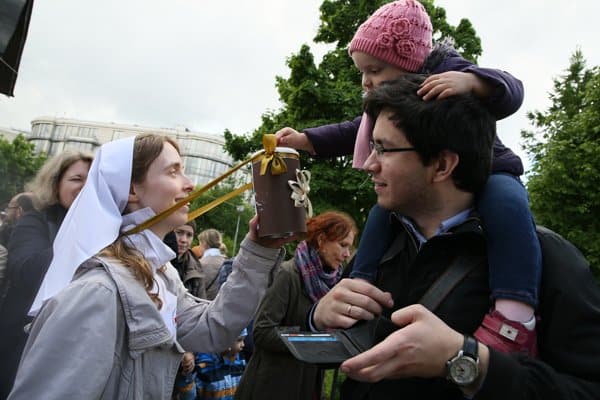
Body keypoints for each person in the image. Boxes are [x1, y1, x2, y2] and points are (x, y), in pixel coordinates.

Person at [309, 75, 600, 399]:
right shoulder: (379, 248)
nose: (368, 164)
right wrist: (318, 318)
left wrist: (468, 360)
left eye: (383, 149)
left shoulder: (546, 259)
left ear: (442, 164)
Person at [275, 0, 540, 355]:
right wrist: (308, 140)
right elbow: (356, 129)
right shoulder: (390, 109)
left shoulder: (445, 69)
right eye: (362, 72)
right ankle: (359, 290)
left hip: (491, 168)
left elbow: (512, 89)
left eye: (375, 69)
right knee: (378, 216)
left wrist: (474, 82)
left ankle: (514, 315)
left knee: (508, 205)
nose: (367, 80)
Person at [7, 134, 291, 399]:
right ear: (131, 189)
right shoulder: (98, 293)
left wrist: (259, 249)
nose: (190, 184)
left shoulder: (161, 274)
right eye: (173, 171)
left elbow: (213, 326)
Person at [236, 211, 357, 400]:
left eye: (349, 247)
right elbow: (262, 332)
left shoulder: (334, 283)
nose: (347, 254)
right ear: (322, 240)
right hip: (273, 385)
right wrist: (310, 337)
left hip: (308, 385)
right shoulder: (288, 274)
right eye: (342, 245)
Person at [0, 151, 93, 398]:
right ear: (55, 183)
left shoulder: (103, 230)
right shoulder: (35, 222)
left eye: (92, 179)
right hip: (21, 347)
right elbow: (28, 270)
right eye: (76, 179)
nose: (86, 186)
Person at [172, 220, 206, 298]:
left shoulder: (196, 267)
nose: (184, 240)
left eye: (189, 235)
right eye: (179, 232)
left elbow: (200, 303)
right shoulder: (155, 261)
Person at [197, 228, 227, 300]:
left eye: (199, 243)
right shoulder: (227, 262)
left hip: (204, 305)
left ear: (204, 243)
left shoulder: (200, 263)